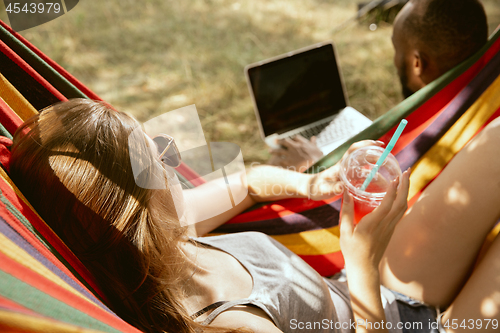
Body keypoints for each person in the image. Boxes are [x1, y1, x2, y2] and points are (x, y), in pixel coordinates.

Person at [9, 99, 500, 333]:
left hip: (374, 295)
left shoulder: (161, 236)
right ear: (126, 212)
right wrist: (363, 262)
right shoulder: (229, 327)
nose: (170, 152)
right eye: (151, 157)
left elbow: (246, 184)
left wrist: (309, 184)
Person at [269, 0, 488, 171]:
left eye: (396, 48)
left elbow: (378, 197)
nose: (394, 60)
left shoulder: (432, 134)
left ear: (417, 63)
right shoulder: (484, 103)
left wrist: (316, 165)